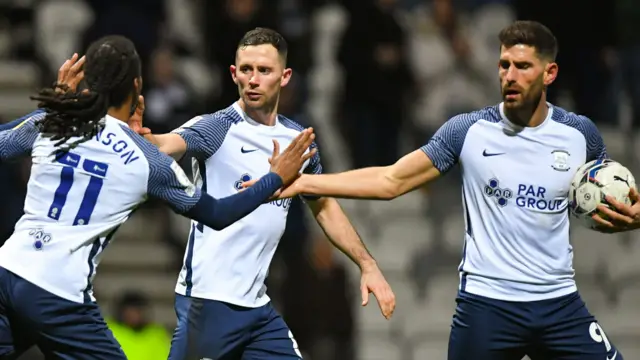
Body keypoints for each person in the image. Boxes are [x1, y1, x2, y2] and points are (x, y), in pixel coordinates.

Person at [248, 21, 632, 360]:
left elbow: (610, 192)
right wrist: (303, 183)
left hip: (557, 302)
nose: (510, 76)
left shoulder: (580, 134)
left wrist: (630, 216)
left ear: (550, 73)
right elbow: (391, 181)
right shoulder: (467, 131)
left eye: (523, 67)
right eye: (504, 65)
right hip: (488, 308)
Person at [0, 35, 314, 359]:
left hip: (6, 271)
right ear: (137, 86)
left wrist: (58, 101)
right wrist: (275, 178)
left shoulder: (51, 120)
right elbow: (218, 214)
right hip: (57, 293)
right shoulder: (147, 161)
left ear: (86, 80)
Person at [130, 27, 396, 359]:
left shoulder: (298, 140)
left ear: (284, 77)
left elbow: (324, 205)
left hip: (257, 307)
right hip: (210, 303)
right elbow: (168, 143)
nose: (253, 79)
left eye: (264, 71)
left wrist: (366, 264)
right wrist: (143, 138)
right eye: (246, 70)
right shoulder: (217, 127)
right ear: (234, 74)